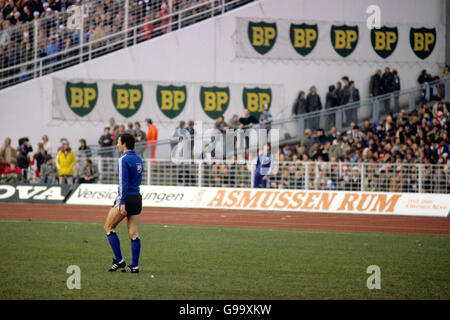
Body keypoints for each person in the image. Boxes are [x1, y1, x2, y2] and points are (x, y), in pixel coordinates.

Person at [104, 133, 143, 274]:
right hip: (137, 197)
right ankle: (134, 266)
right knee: (133, 233)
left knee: (108, 227)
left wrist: (121, 202)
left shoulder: (123, 159)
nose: (117, 144)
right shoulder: (139, 159)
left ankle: (119, 260)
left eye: (118, 142)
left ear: (124, 143)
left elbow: (123, 182)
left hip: (126, 198)